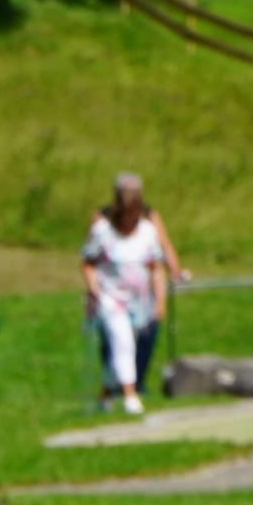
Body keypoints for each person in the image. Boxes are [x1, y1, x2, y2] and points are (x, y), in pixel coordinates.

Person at [81, 173, 185, 417]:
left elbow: (155, 265)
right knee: (123, 340)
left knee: (122, 347)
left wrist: (160, 300)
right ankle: (131, 396)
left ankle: (106, 395)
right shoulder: (102, 229)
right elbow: (87, 262)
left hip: (138, 300)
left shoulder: (148, 229)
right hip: (109, 297)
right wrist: (94, 290)